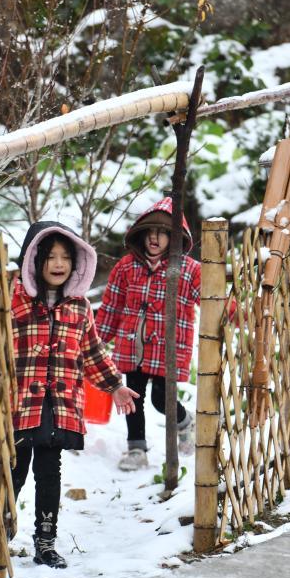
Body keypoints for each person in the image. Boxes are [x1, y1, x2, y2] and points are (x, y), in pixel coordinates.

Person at [0, 221, 138, 569]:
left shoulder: (78, 307)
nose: (59, 264)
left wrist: (115, 386)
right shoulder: (12, 301)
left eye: (66, 257)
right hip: (17, 405)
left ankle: (45, 542)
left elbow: (92, 352)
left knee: (50, 473)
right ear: (34, 260)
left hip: (60, 406)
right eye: (50, 257)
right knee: (14, 472)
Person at [96, 197, 201, 472]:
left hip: (168, 347)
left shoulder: (188, 270)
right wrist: (95, 342)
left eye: (163, 233)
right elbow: (111, 307)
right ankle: (136, 448)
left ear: (175, 237)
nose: (155, 238)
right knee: (134, 398)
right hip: (133, 347)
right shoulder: (126, 267)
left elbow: (213, 297)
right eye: (151, 232)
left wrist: (235, 313)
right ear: (141, 235)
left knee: (160, 399)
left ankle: (184, 422)